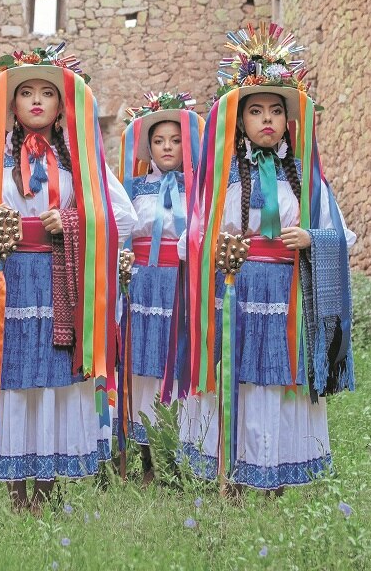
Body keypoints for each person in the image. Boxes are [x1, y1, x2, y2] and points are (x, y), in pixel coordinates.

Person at [0, 44, 137, 514]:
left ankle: (47, 491)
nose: (35, 100)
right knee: (11, 378)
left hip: (59, 283)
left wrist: (74, 220)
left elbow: (125, 219)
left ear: (61, 105)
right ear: (10, 105)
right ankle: (16, 492)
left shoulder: (82, 164)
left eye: (46, 93)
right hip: (7, 281)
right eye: (25, 92)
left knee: (52, 380)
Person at [180, 23, 357, 494]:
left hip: (287, 295)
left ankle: (276, 470)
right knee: (239, 377)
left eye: (275, 111)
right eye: (254, 110)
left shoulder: (305, 178)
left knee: (279, 379)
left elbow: (343, 234)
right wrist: (216, 245)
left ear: (288, 120)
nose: (265, 120)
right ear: (239, 120)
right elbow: (192, 236)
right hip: (236, 292)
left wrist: (312, 239)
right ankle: (234, 475)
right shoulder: (222, 179)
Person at [116, 92, 204, 483]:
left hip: (182, 286)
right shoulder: (133, 188)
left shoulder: (201, 188)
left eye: (175, 140)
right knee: (143, 368)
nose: (167, 148)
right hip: (142, 287)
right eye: (159, 141)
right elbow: (118, 230)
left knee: (178, 364)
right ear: (148, 146)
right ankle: (148, 461)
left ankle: (179, 458)